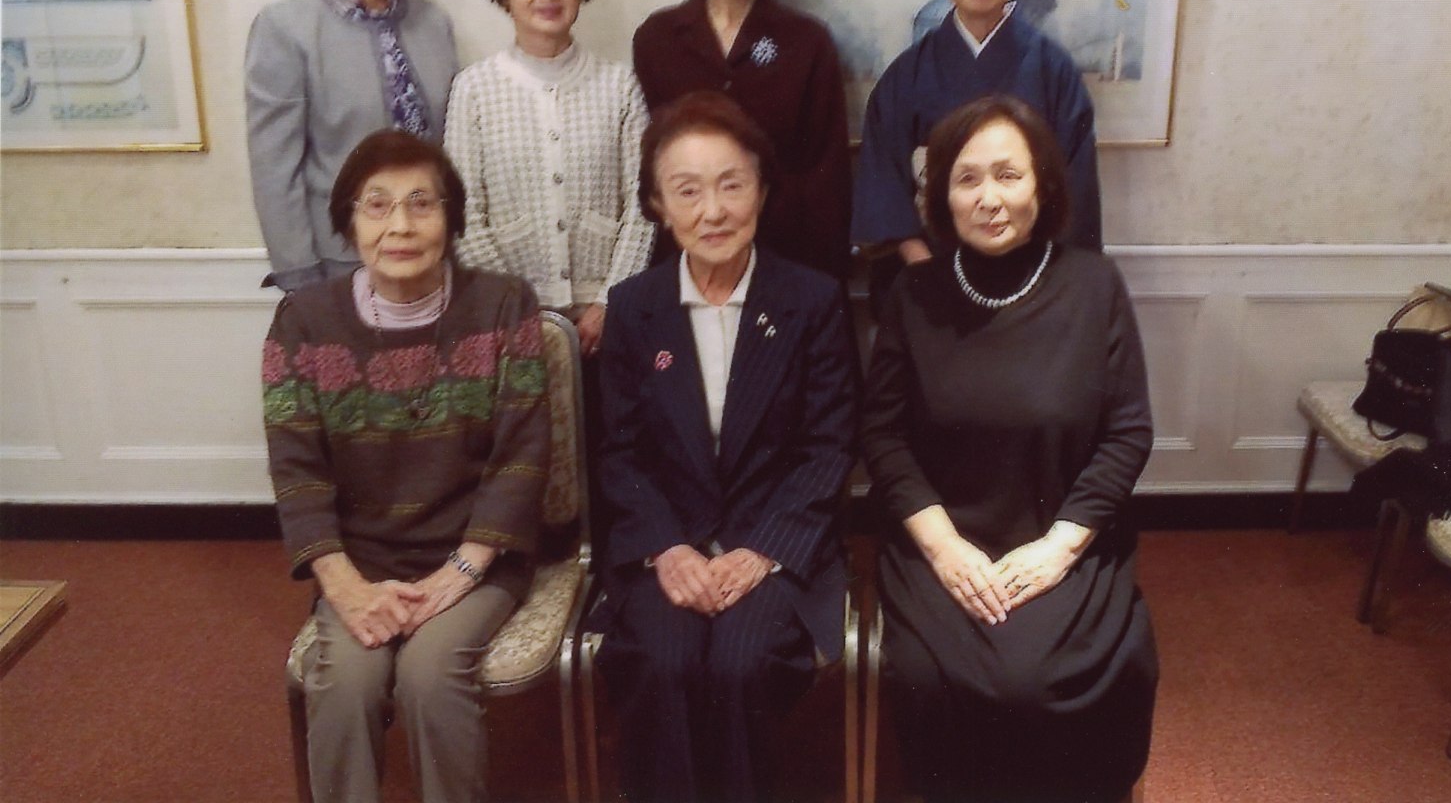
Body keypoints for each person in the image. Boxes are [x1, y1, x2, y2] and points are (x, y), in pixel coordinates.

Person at [861, 95, 1156, 803]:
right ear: (941, 197)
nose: (988, 198)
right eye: (967, 179)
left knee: (1053, 679)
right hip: (943, 539)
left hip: (1062, 536)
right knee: (934, 679)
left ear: (1043, 186)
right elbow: (882, 433)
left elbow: (1128, 431)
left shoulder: (1095, 285)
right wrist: (943, 549)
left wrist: (1059, 548)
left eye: (1008, 175)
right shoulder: (914, 292)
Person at [263, 129, 550, 803]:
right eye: (377, 205)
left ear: (451, 218)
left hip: (476, 560)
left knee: (430, 675)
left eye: (422, 203)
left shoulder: (505, 305)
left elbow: (522, 455)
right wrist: (345, 586)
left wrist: (459, 573)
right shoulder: (302, 323)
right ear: (349, 221)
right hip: (361, 562)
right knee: (345, 681)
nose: (400, 225)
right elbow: (296, 469)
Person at [594, 91, 857, 803]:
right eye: (687, 191)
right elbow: (619, 454)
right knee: (664, 659)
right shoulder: (634, 308)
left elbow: (829, 447)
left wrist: (763, 550)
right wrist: (667, 548)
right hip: (667, 544)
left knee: (742, 663)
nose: (712, 211)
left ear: (762, 192)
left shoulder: (811, 301)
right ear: (658, 206)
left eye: (731, 185)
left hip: (775, 543)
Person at [852, 0, 1103, 307]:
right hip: (928, 276)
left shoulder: (1053, 71)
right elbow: (884, 185)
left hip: (1031, 280)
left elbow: (1074, 191)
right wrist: (927, 272)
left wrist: (1041, 284)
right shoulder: (906, 76)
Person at [246, 0, 457, 292]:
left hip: (432, 258)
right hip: (338, 267)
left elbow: (450, 150)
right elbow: (275, 171)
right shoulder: (285, 28)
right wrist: (302, 281)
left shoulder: (433, 23)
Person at [445, 0, 652, 358]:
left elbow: (644, 204)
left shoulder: (618, 85)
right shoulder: (474, 89)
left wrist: (610, 302)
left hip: (608, 317)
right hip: (507, 319)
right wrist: (515, 310)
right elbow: (464, 212)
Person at [632, 0, 852, 282]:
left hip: (787, 255)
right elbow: (647, 161)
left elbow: (827, 172)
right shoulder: (658, 38)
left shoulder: (807, 41)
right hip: (686, 252)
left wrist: (824, 284)